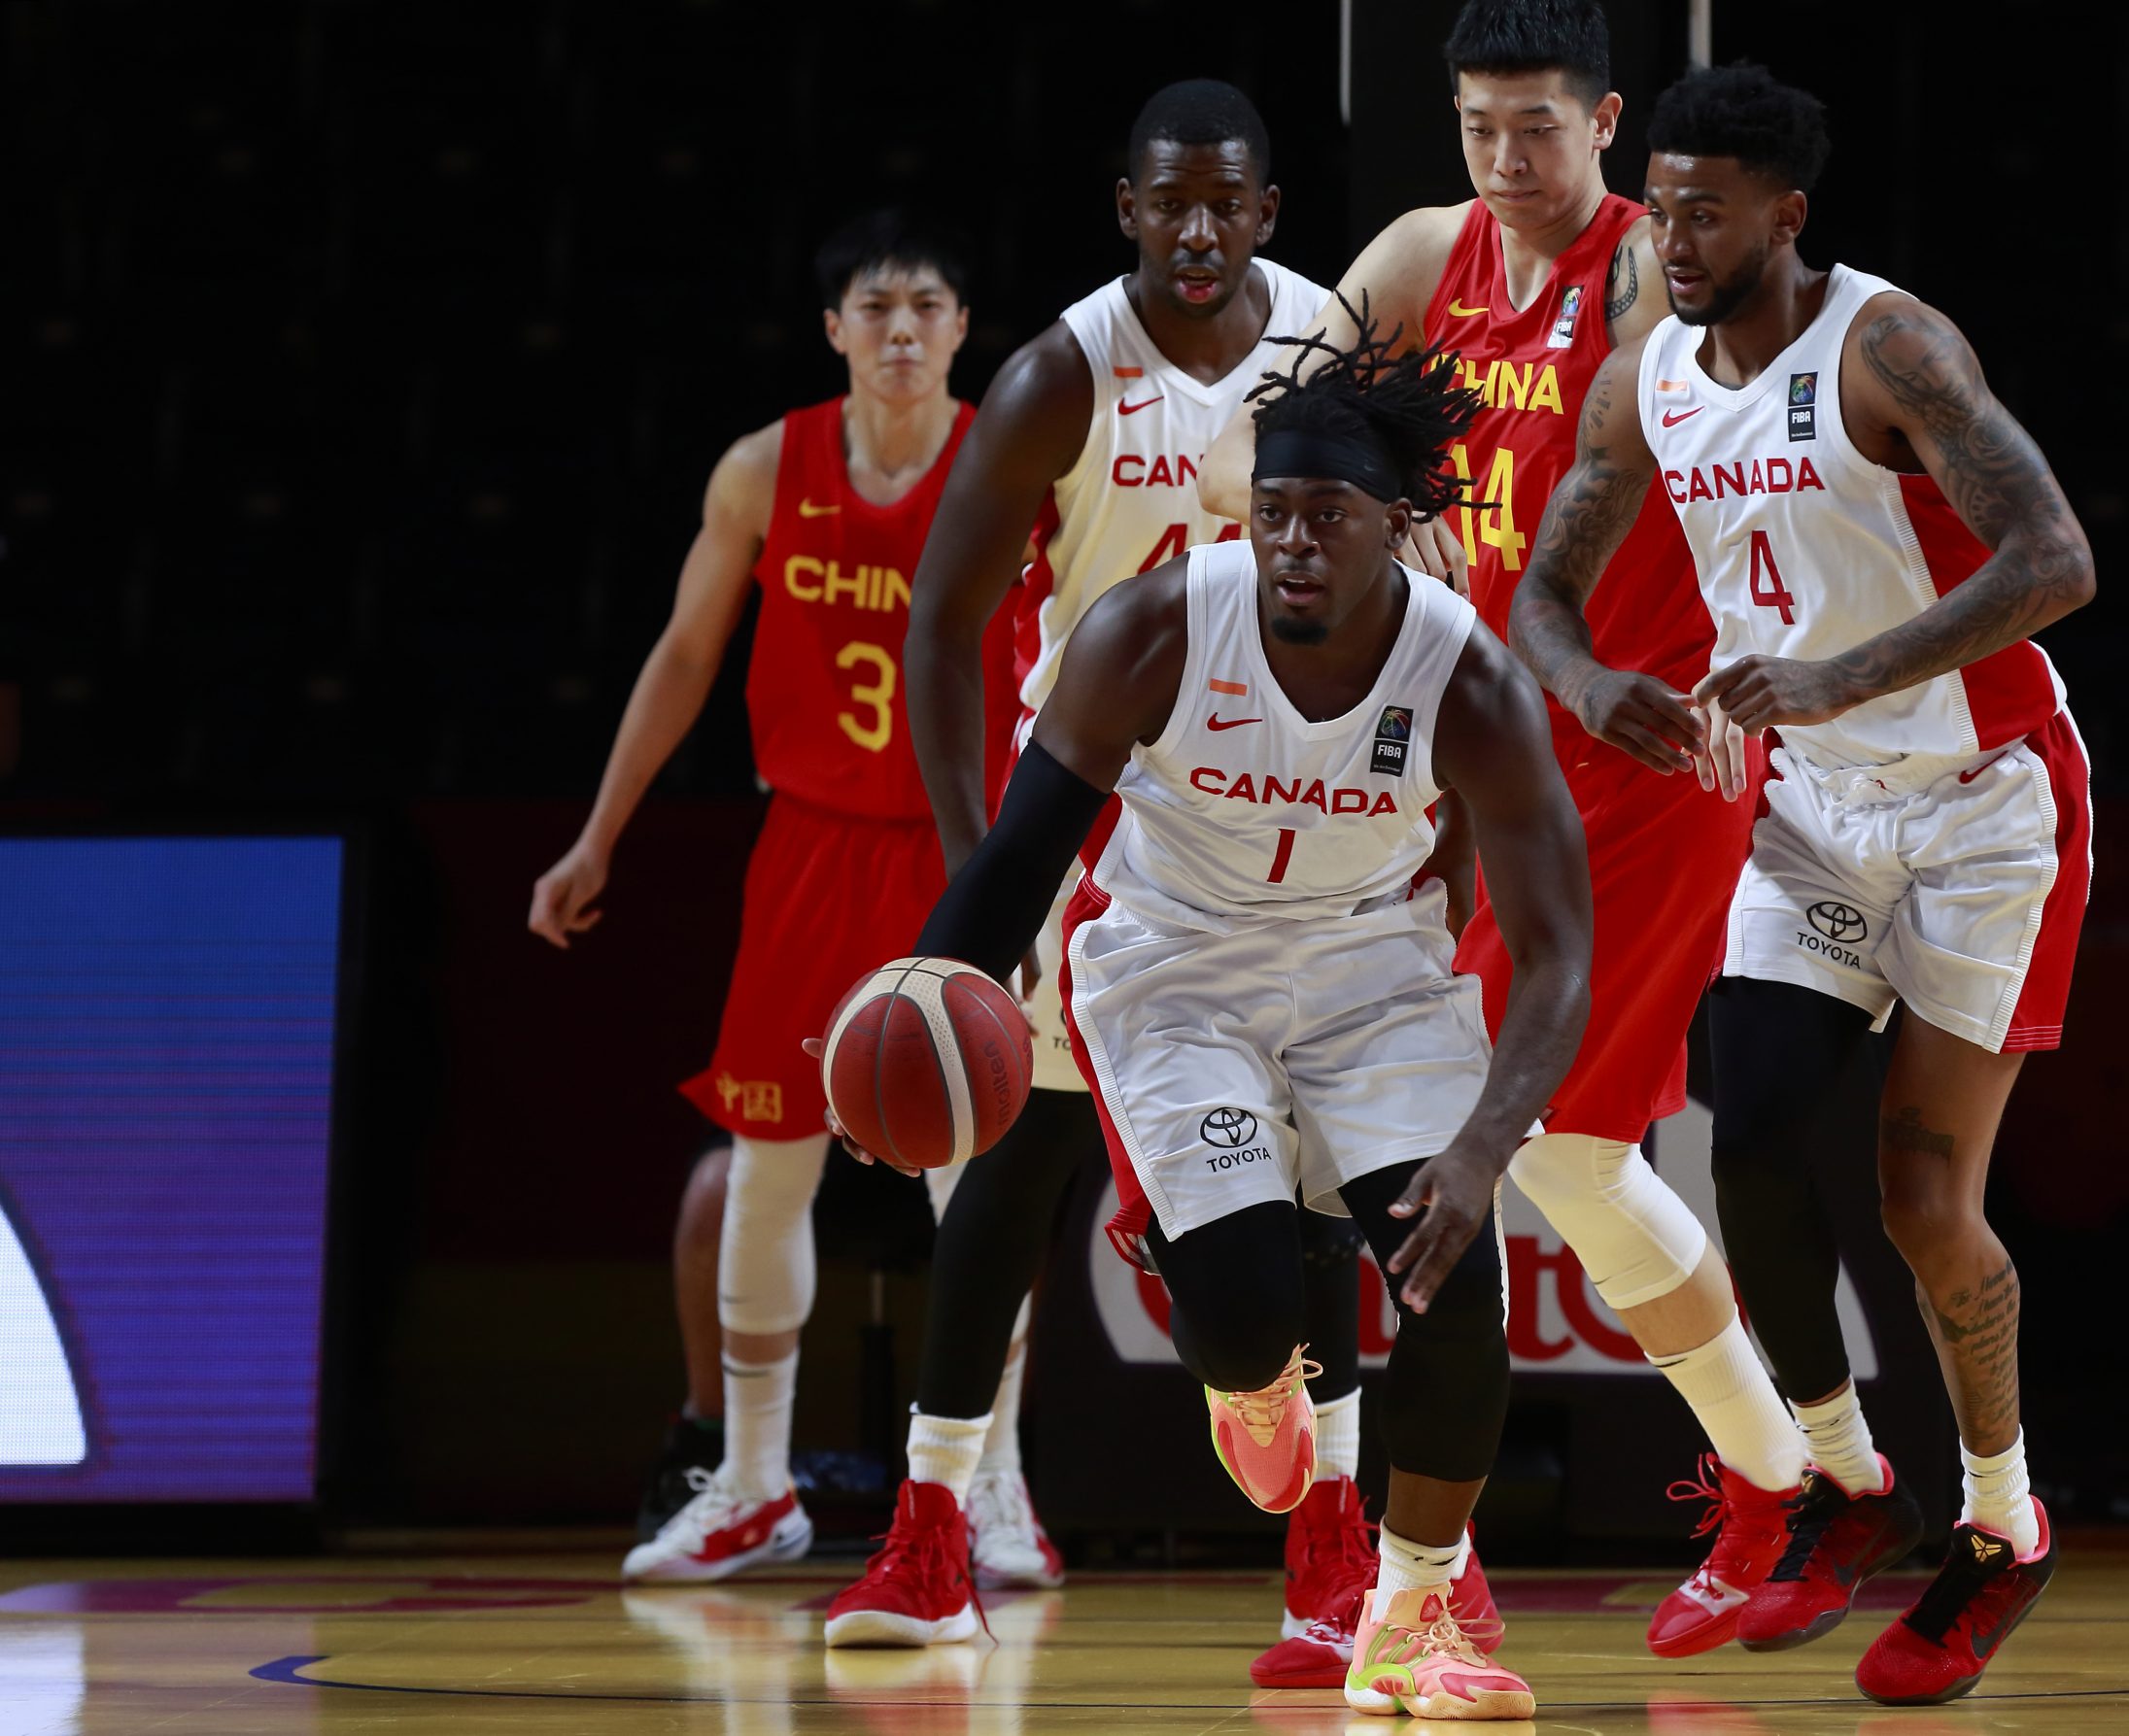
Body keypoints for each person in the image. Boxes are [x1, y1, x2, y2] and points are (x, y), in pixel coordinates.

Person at [820, 313, 1587, 1720]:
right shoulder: (1155, 623)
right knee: (1244, 1317)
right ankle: (1244, 1377)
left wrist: (1481, 1150)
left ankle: (1411, 1618)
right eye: (1274, 510)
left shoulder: (1466, 673)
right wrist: (922, 1000)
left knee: (1454, 1293)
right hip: (1175, 969)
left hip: (1375, 969)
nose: (1295, 540)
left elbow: (1557, 952)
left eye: (1329, 517)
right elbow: (1018, 855)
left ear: (1395, 524)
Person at [1201, 0, 1812, 1665]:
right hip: (1477, 755)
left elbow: (1604, 507)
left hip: (1648, 742)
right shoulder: (1418, 252)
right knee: (1511, 1153)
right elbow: (1277, 430)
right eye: (1477, 127)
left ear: (1605, 122)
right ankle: (1764, 1480)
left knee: (1509, 1150)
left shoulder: (1643, 276)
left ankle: (1436, 1560)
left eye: (1536, 127)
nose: (1505, 160)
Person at [1512, 62, 2098, 1704]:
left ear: (1788, 212)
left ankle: (2003, 1523)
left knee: (1924, 1204)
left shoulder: (1889, 345)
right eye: (1663, 207)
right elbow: (1546, 596)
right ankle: (1845, 1480)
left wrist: (1844, 672)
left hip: (1989, 806)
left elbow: (2056, 560)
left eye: (1708, 210)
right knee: (1750, 1124)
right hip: (1812, 809)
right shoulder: (1649, 380)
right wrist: (1596, 689)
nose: (1674, 237)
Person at [527, 212, 1057, 1588]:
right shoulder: (767, 467)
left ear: (960, 328)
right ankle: (754, 1482)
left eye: (926, 305)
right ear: (834, 328)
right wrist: (599, 834)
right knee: (770, 1166)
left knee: (976, 1174)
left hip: (958, 848)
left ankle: (990, 1481)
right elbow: (686, 651)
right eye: (873, 305)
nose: (899, 327)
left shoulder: (1010, 464)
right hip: (812, 844)